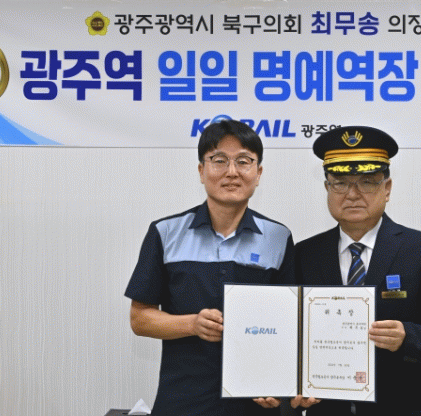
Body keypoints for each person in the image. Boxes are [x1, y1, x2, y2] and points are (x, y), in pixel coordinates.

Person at [124, 120, 295, 416]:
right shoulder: (166, 232)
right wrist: (193, 324)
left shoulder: (278, 237)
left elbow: (291, 324)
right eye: (219, 160)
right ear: (201, 171)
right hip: (183, 400)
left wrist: (278, 385)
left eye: (244, 161)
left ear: (258, 173)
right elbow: (140, 319)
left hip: (253, 401)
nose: (232, 172)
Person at [295, 126, 421, 416]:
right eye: (340, 183)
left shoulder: (420, 249)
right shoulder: (305, 254)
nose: (353, 194)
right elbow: (293, 333)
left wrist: (407, 336)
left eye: (367, 182)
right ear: (327, 188)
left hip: (400, 407)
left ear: (387, 188)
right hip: (327, 409)